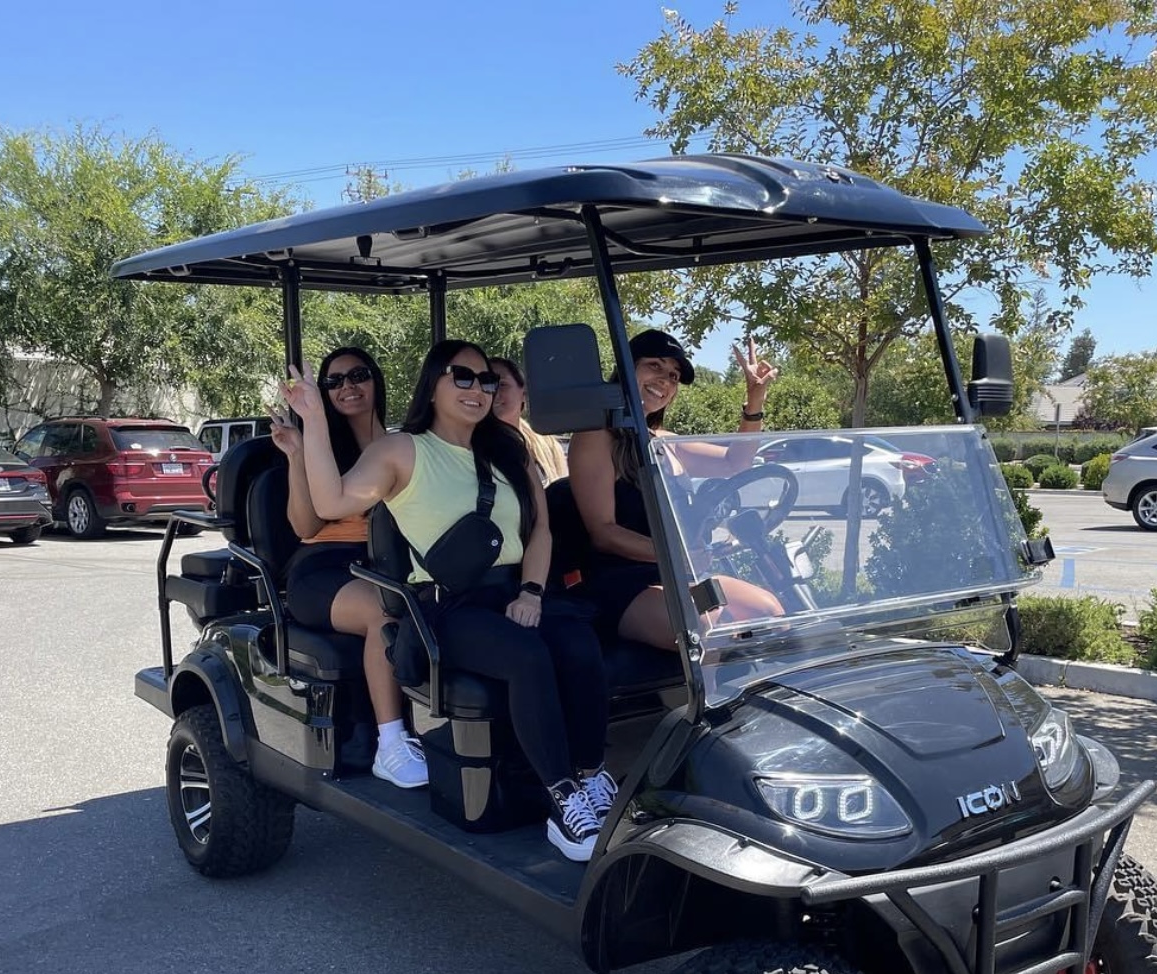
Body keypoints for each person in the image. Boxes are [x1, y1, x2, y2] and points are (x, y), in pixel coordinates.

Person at [282, 339, 616, 862]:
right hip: (447, 605)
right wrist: (313, 420)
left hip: (512, 592)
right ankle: (563, 798)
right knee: (526, 656)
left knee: (579, 643)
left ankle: (592, 774)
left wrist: (531, 592)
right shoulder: (402, 451)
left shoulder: (508, 450)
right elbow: (330, 500)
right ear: (433, 385)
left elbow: (540, 531)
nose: (477, 388)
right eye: (462, 377)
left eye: (486, 380)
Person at [270, 345, 427, 790]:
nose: (347, 387)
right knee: (387, 611)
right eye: (334, 381)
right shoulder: (321, 449)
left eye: (358, 375)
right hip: (326, 568)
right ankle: (391, 744)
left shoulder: (404, 445)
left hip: (392, 563)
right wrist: (297, 455)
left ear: (376, 380)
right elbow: (305, 525)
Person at [567, 329, 785, 649]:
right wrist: (676, 555)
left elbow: (735, 461)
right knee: (700, 624)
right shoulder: (597, 435)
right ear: (626, 369)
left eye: (673, 375)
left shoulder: (665, 442)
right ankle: (710, 684)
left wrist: (755, 400)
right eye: (654, 366)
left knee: (769, 614)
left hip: (677, 576)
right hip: (621, 581)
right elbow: (604, 532)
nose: (665, 380)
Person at [490, 356, 568, 485]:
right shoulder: (468, 444)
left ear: (524, 393)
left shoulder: (547, 445)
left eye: (502, 385)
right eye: (487, 384)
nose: (493, 392)